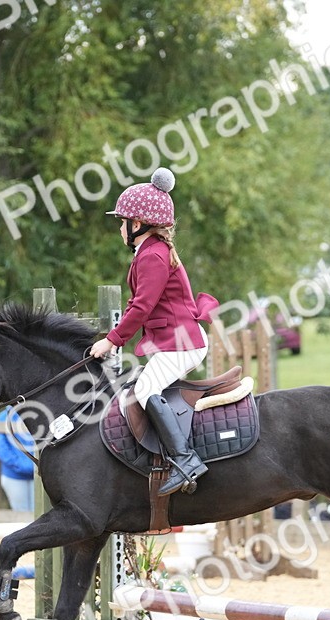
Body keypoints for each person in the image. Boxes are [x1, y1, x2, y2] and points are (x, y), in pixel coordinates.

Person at [89, 167, 219, 496]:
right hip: (175, 340)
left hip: (182, 343)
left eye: (123, 222)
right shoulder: (152, 252)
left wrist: (111, 340)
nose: (120, 228)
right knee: (142, 388)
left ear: (138, 224)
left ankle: (185, 459)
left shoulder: (153, 257)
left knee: (146, 391)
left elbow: (141, 307)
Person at [0, 407, 35, 512]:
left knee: (39, 513)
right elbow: (2, 449)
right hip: (13, 476)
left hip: (38, 475)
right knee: (20, 513)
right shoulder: (3, 416)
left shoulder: (37, 412)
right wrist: (27, 466)